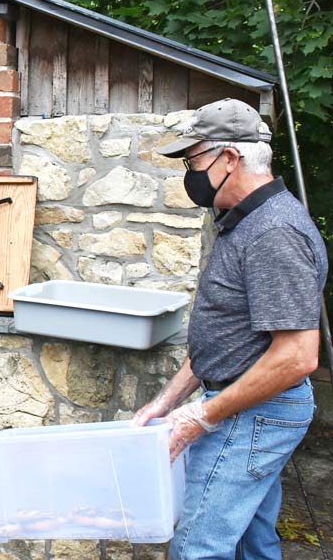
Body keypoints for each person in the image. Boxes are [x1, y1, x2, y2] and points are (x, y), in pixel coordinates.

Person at [133, 98, 328, 559]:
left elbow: (298, 356)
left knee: (199, 547)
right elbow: (229, 339)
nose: (189, 173)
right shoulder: (248, 223)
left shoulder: (274, 232)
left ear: (230, 158)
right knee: (251, 543)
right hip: (245, 406)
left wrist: (203, 416)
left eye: (193, 159)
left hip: (254, 414)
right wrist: (168, 402)